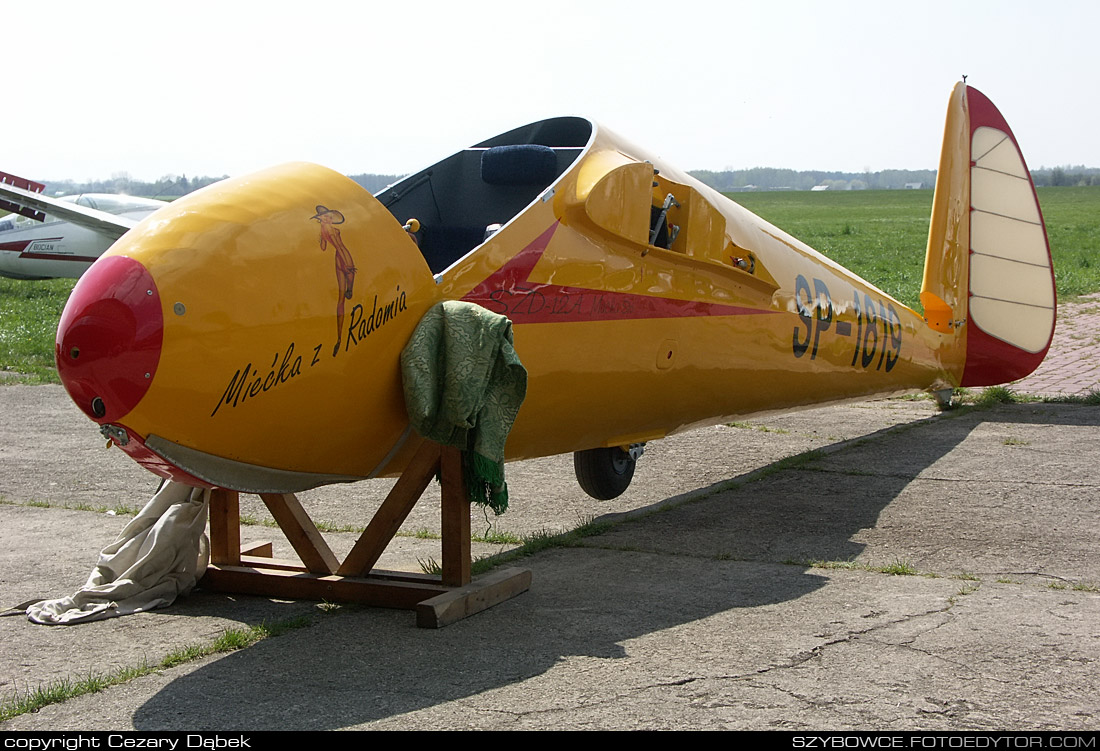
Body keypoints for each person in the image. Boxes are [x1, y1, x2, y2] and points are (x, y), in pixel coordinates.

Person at [311, 205, 357, 357]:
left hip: (343, 257)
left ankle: (339, 338)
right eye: (325, 217)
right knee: (341, 297)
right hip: (342, 258)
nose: (328, 219)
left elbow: (324, 247)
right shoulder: (324, 231)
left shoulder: (326, 231)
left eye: (329, 216)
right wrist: (320, 238)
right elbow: (323, 248)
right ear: (321, 219)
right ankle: (339, 338)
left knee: (345, 294)